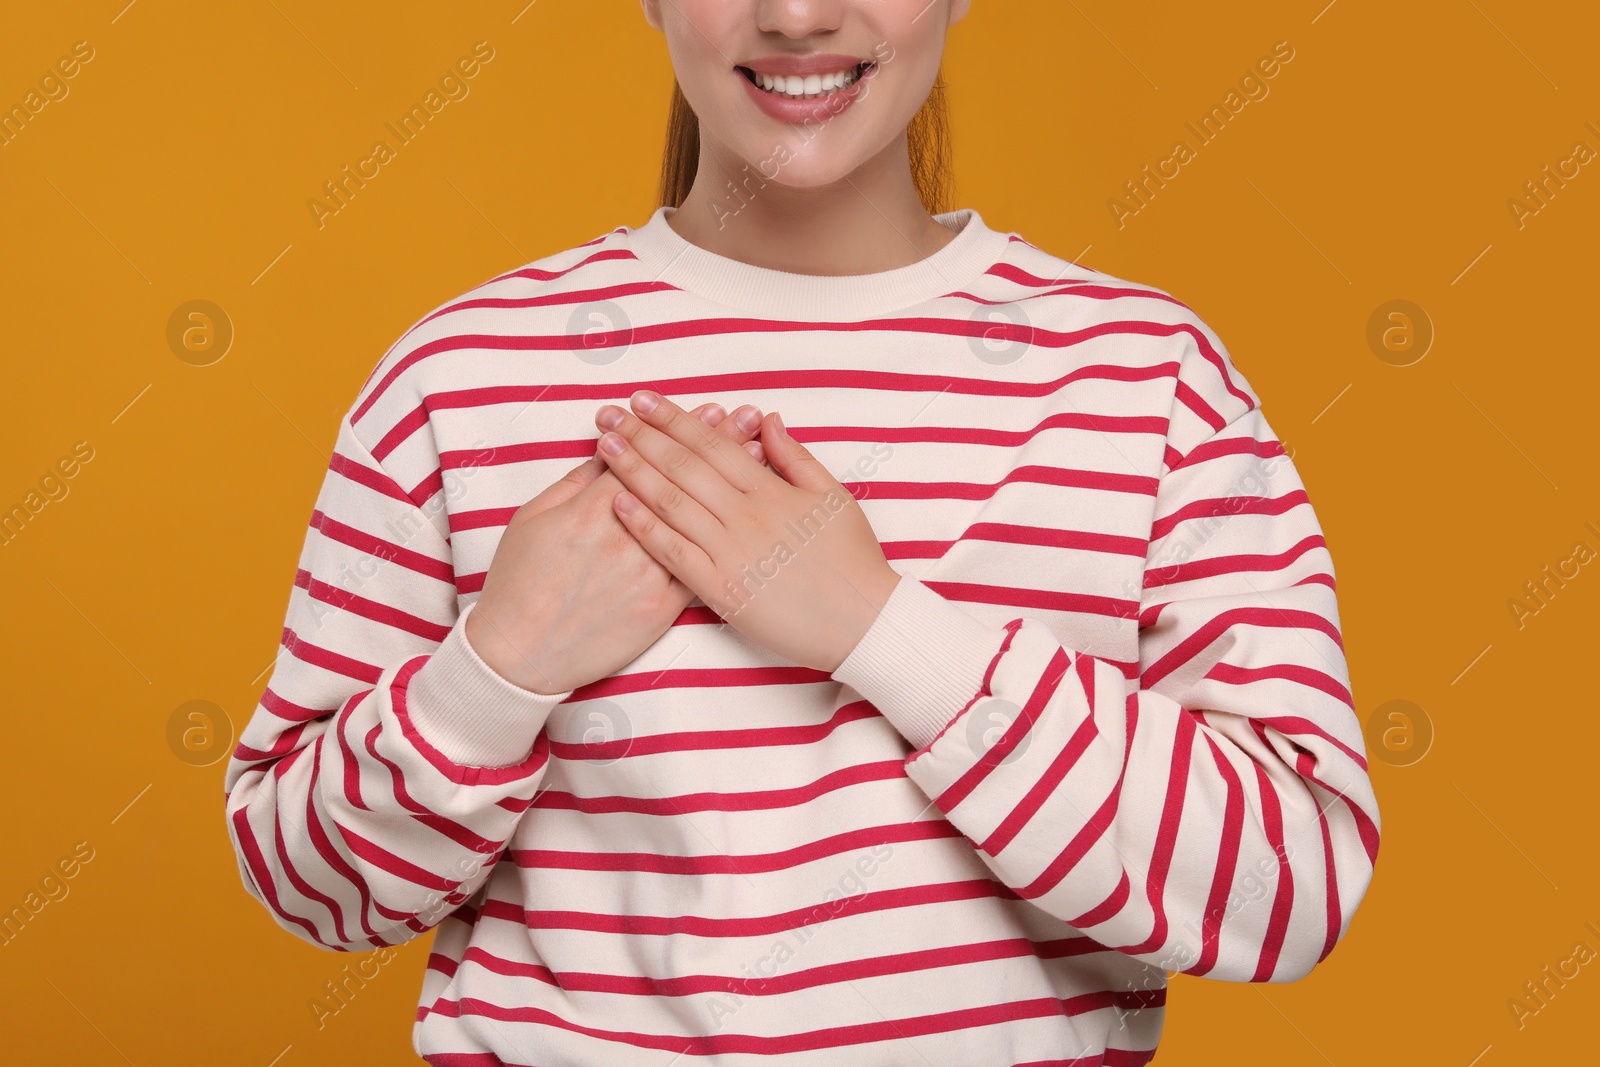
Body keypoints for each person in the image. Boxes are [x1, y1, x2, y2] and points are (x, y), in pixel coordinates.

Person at [223, 1, 1382, 1063]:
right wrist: (497, 666)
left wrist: (882, 629)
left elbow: (1291, 884)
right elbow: (305, 885)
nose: (797, 15)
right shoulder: (463, 376)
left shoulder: (1142, 379)